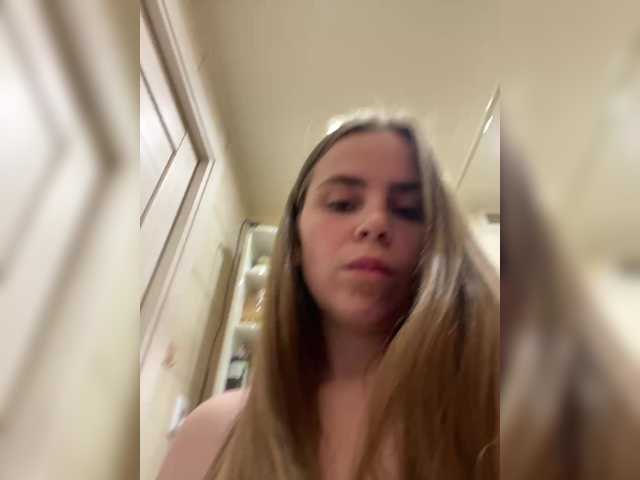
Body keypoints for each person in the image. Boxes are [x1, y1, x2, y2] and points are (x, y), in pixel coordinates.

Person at [157, 112, 499, 480]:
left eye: (409, 210)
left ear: (436, 243)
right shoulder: (212, 433)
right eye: (341, 203)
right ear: (295, 241)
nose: (376, 222)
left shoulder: (497, 419)